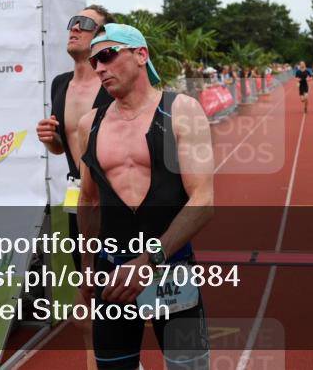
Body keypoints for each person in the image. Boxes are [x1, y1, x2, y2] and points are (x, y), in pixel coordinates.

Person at [77, 24, 213, 370]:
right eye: (95, 61)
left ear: (141, 55)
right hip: (114, 273)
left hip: (169, 268)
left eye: (107, 55)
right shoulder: (89, 124)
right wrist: (89, 266)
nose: (99, 67)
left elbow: (203, 200)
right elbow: (90, 202)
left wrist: (150, 260)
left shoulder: (181, 110)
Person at [35, 6, 115, 370]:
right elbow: (64, 147)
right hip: (76, 199)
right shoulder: (60, 84)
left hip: (116, 201)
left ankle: (123, 360)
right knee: (85, 293)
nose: (74, 29)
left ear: (101, 35)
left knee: (121, 294)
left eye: (84, 24)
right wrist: (50, 139)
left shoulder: (113, 82)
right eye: (72, 22)